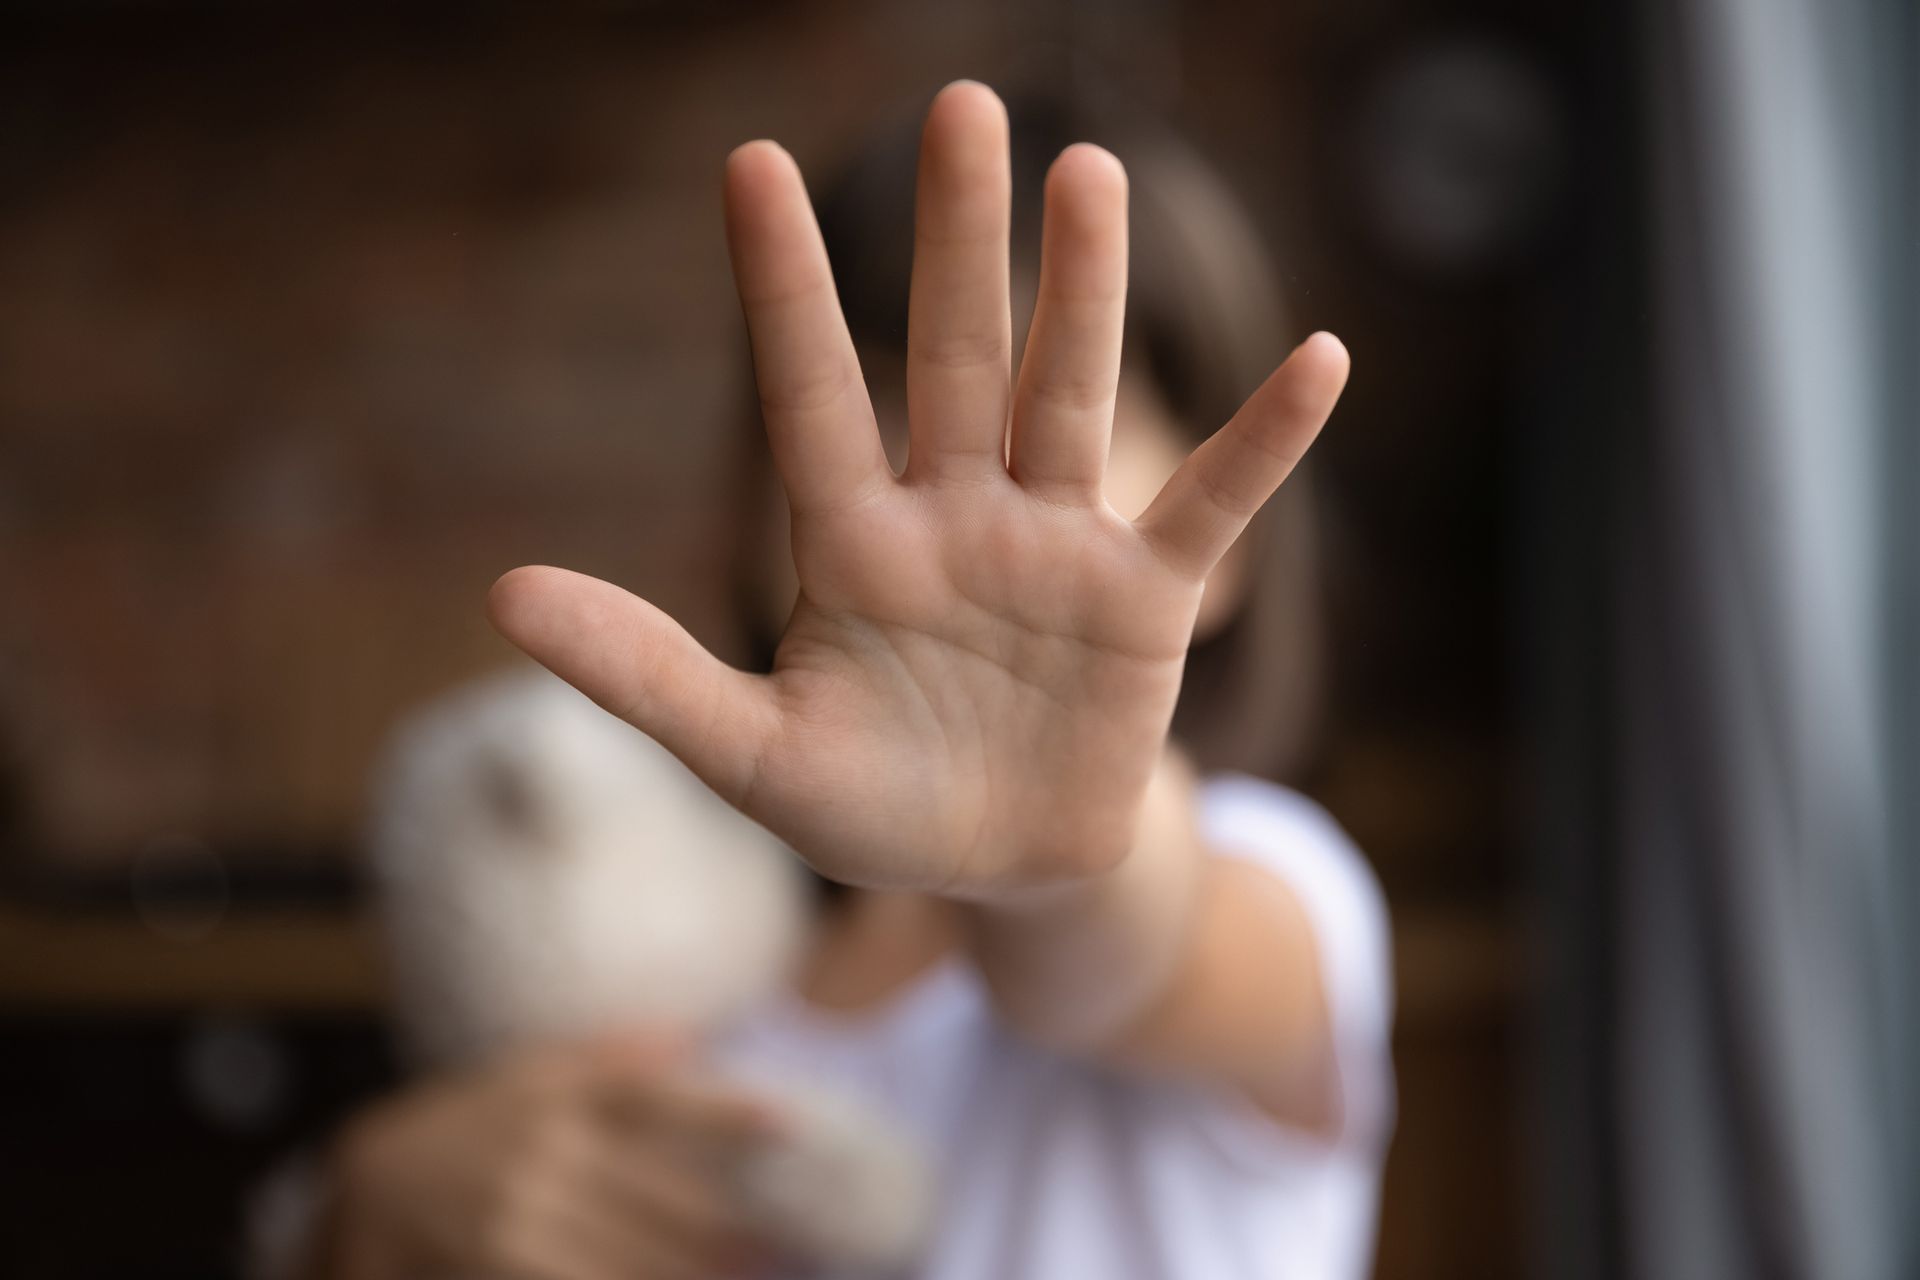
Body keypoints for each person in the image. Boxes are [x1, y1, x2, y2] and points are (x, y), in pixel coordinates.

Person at [306, 80, 1393, 1280]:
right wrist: (354, 1226)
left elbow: (1126, 951)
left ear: (1228, 551)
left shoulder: (1284, 887)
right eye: (874, 400)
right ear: (741, 496)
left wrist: (1049, 851)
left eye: (1038, 432)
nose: (938, 488)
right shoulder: (698, 968)